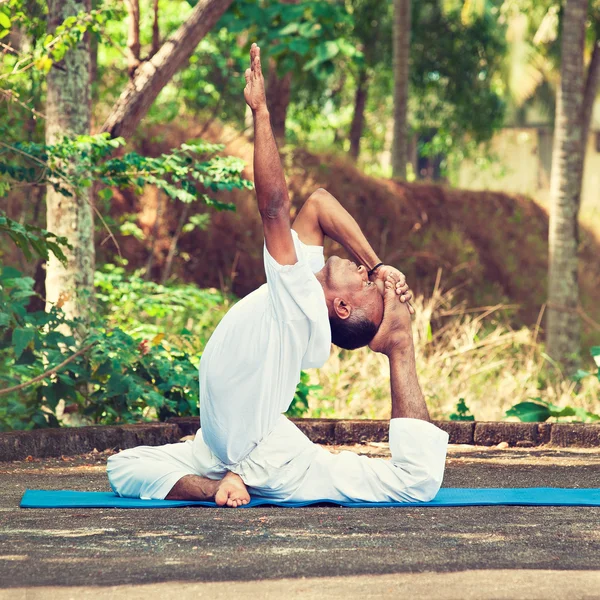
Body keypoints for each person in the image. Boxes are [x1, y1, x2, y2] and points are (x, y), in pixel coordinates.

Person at [106, 44, 449, 507]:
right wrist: (381, 264)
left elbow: (275, 207)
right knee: (122, 466)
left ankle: (400, 347)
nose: (364, 273)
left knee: (414, 484)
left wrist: (261, 113)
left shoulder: (300, 301)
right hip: (221, 446)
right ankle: (222, 484)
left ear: (342, 307)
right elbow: (321, 203)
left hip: (270, 459)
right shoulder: (306, 279)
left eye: (367, 284)